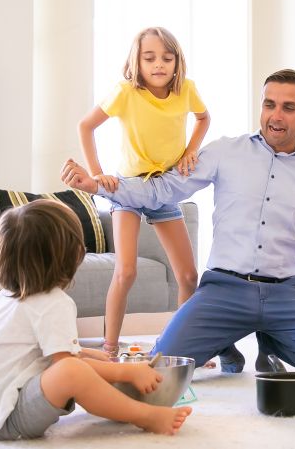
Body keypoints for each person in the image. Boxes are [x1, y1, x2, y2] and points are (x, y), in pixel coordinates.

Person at [61, 69, 295, 382]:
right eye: (269, 104)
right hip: (224, 288)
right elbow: (164, 189)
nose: (276, 115)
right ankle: (227, 339)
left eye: (289, 108)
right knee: (165, 368)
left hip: (285, 294)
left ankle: (269, 337)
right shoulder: (226, 151)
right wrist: (99, 184)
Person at [0, 200, 192, 440]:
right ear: (75, 254)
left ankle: (117, 400)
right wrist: (126, 372)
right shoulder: (53, 302)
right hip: (7, 417)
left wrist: (88, 355)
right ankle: (145, 415)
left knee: (85, 359)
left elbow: (38, 352)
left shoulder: (7, 298)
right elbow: (65, 366)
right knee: (72, 370)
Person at [77, 27, 210, 357]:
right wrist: (97, 173)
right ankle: (109, 348)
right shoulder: (126, 92)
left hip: (164, 190)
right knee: (126, 271)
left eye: (167, 58)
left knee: (189, 275)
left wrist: (190, 150)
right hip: (129, 192)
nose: (159, 65)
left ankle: (183, 345)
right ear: (136, 61)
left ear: (177, 62)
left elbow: (203, 118)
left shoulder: (186, 90)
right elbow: (86, 126)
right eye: (149, 58)